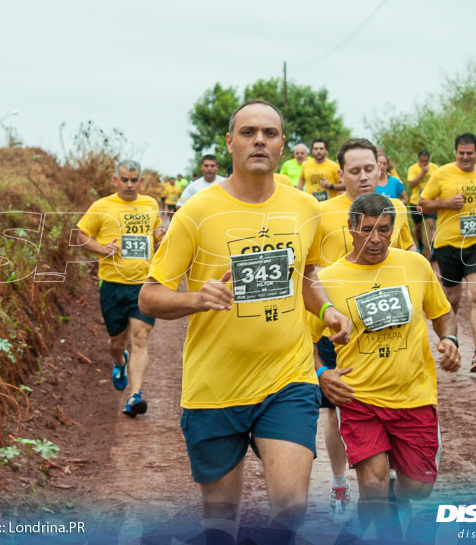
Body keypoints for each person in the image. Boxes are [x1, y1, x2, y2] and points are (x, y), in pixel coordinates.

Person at [139, 99, 352, 543]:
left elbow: (307, 277)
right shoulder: (197, 212)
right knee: (220, 524)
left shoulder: (305, 208)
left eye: (270, 133)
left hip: (288, 380)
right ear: (230, 142)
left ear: (282, 146)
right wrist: (196, 298)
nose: (260, 140)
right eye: (249, 132)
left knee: (291, 509)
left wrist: (327, 309)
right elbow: (150, 296)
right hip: (215, 387)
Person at [316, 193, 460, 536]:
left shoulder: (415, 266)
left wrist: (449, 339)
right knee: (374, 486)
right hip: (359, 397)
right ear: (350, 228)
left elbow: (442, 314)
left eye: (384, 229)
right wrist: (322, 373)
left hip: (414, 395)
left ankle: (362, 525)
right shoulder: (328, 280)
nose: (376, 239)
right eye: (367, 230)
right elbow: (302, 341)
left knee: (416, 488)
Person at [309, 139, 415, 523]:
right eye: (354, 171)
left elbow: (407, 257)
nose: (364, 176)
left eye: (369, 168)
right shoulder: (319, 214)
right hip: (336, 326)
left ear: (380, 168)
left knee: (390, 403)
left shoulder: (397, 209)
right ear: (341, 175)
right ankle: (340, 482)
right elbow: (308, 272)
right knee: (338, 411)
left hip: (385, 322)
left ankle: (383, 476)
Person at [76, 159, 164, 416]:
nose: (129, 184)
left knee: (140, 338)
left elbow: (156, 233)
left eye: (134, 180)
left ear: (141, 181)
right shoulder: (101, 206)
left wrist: (160, 238)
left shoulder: (149, 204)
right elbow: (81, 235)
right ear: (115, 180)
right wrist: (102, 249)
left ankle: (135, 396)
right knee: (117, 342)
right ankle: (119, 361)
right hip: (112, 285)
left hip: (142, 285)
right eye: (124, 179)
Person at [419, 133, 476, 372]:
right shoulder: (442, 174)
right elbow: (422, 204)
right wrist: (446, 204)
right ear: (455, 153)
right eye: (461, 153)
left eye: (470, 153)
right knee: (452, 299)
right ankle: (450, 344)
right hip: (448, 244)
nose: (465, 157)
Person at [407, 151, 439, 260]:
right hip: (415, 201)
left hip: (430, 202)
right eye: (422, 162)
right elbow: (411, 184)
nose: (424, 164)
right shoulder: (413, 169)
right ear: (418, 160)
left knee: (430, 224)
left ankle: (433, 247)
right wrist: (422, 173)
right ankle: (420, 243)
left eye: (426, 161)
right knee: (418, 226)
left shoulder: (435, 168)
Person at [299, 137, 342, 202]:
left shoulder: (335, 166)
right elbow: (302, 178)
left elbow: (345, 185)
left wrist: (331, 186)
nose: (318, 151)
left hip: (329, 204)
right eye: (316, 149)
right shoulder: (305, 165)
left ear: (326, 151)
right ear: (312, 151)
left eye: (321, 148)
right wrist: (299, 190)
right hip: (310, 203)